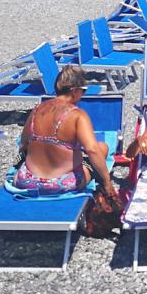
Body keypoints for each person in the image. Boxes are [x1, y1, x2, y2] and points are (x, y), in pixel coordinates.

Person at [14, 64, 117, 198]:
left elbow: (23, 144)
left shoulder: (37, 109)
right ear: (75, 91)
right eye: (83, 91)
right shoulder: (78, 115)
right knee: (102, 147)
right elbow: (92, 150)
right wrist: (107, 182)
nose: (83, 95)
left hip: (27, 181)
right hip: (61, 184)